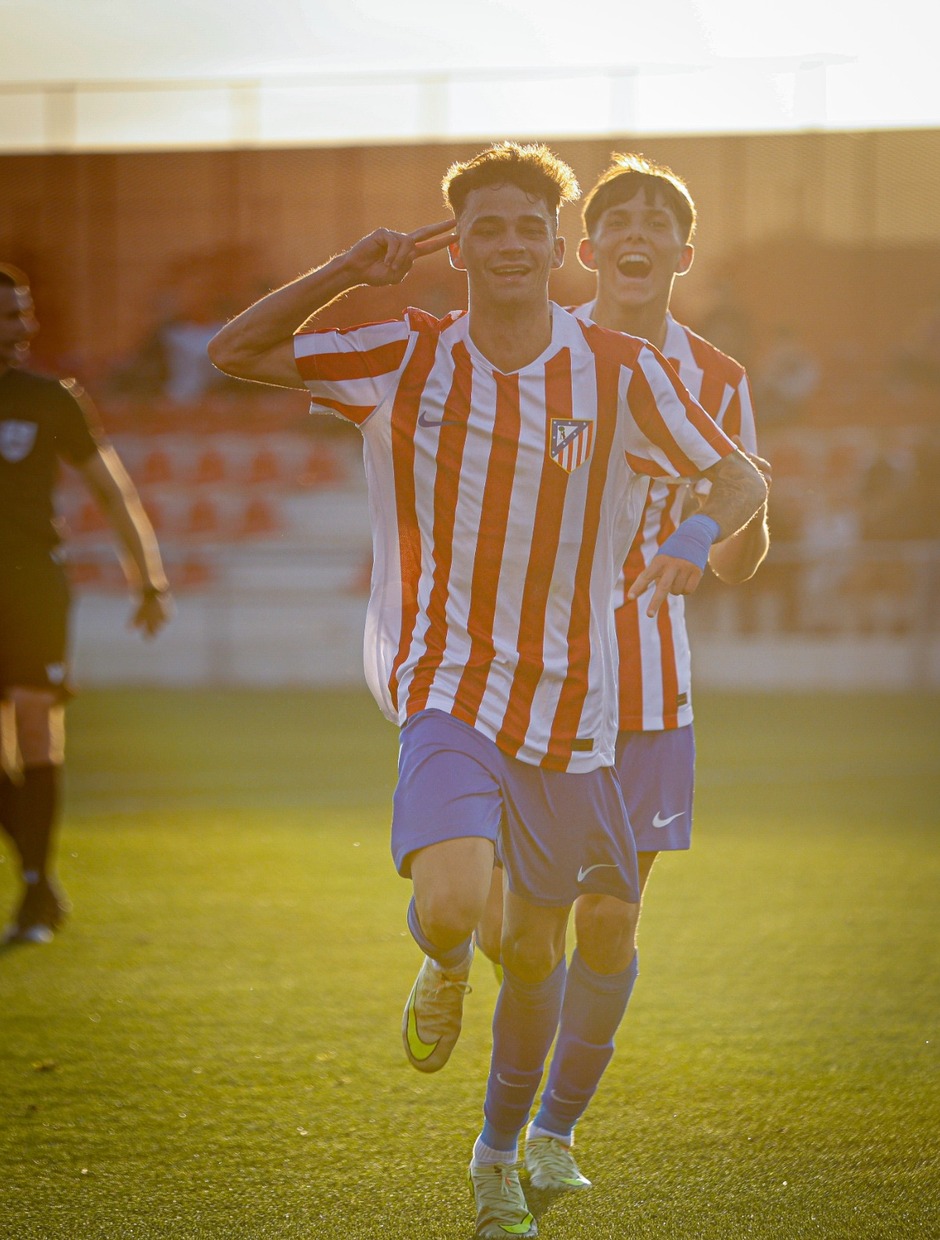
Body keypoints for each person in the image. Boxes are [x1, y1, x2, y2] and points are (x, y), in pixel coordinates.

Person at [207, 142, 766, 1238]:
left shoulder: (614, 367)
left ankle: (508, 1148)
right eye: (486, 229)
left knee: (546, 944)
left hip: (580, 706)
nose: (507, 246)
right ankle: (441, 963)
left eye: (526, 231)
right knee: (463, 911)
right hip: (451, 682)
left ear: (557, 252)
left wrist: (699, 533)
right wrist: (343, 268)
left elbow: (741, 472)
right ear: (456, 247)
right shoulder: (405, 352)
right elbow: (238, 348)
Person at [474, 151, 772, 1195]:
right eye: (619, 220)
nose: (638, 234)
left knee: (606, 919)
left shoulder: (719, 381)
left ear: (682, 255)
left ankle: (548, 1132)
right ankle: (449, 948)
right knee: (522, 930)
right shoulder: (533, 357)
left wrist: (724, 516)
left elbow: (741, 543)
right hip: (539, 676)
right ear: (587, 249)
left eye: (660, 221)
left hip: (649, 683)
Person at [0, 263, 173, 945]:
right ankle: (39, 877)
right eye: (9, 316)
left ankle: (37, 890)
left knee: (37, 725)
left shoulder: (51, 399)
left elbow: (113, 491)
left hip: (34, 583)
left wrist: (148, 579)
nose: (23, 328)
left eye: (24, 313)